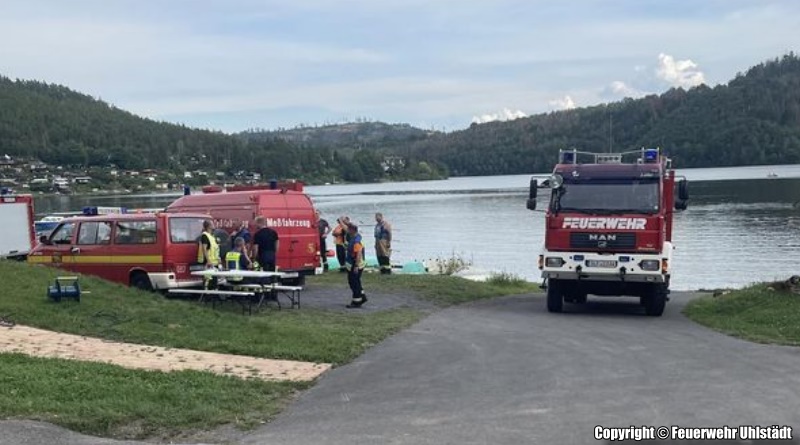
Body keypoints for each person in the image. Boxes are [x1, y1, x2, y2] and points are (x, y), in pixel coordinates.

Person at [345, 223, 367, 308]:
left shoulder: (356, 241)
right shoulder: (354, 237)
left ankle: (357, 301)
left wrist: (356, 266)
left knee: (354, 282)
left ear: (352, 230)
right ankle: (362, 296)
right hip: (353, 263)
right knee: (355, 281)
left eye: (349, 229)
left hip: (356, 263)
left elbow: (358, 254)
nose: (347, 231)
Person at [197, 220, 221, 289]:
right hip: (209, 263)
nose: (214, 225)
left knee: (214, 280)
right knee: (208, 279)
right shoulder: (205, 236)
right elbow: (204, 249)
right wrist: (208, 260)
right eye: (212, 224)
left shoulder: (212, 236)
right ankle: (207, 295)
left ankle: (213, 295)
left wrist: (218, 258)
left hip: (215, 262)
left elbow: (215, 250)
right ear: (209, 226)